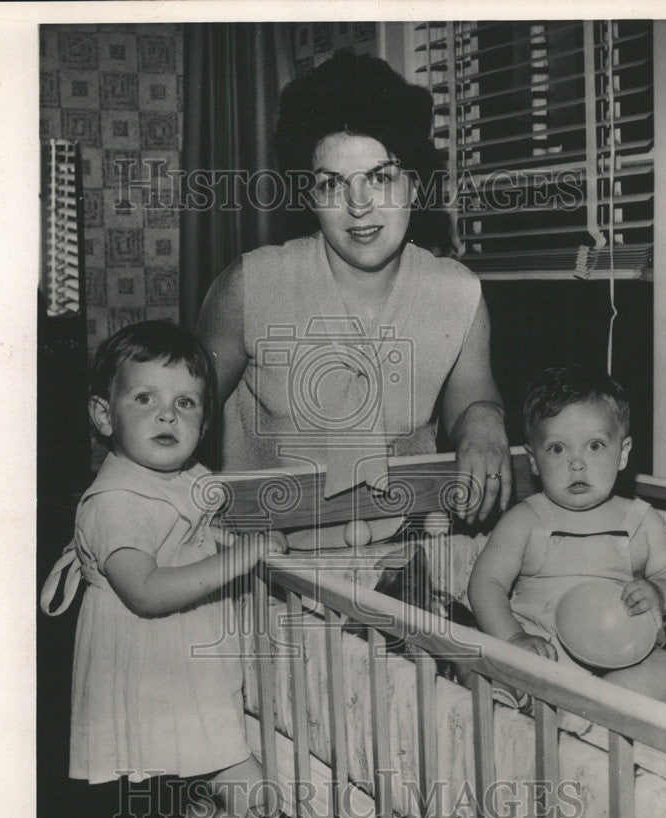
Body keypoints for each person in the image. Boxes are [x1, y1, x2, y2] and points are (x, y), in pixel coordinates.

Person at [195, 50, 510, 538]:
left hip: (402, 561)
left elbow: (473, 404)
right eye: (332, 184)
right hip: (264, 571)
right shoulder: (248, 286)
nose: (359, 206)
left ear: (415, 183)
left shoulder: (458, 294)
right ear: (308, 196)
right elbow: (174, 416)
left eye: (380, 178)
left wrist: (486, 419)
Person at [40, 321, 285, 818]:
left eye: (187, 403)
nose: (168, 414)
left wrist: (230, 540)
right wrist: (243, 556)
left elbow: (188, 535)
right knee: (250, 794)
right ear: (104, 416)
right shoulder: (117, 500)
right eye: (145, 397)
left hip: (180, 666)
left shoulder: (180, 477)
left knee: (202, 792)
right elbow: (145, 591)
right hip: (153, 670)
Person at [468, 366, 666, 704]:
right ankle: (551, 702)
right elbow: (486, 583)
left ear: (623, 452)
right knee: (487, 666)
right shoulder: (526, 520)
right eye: (558, 449)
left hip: (622, 655)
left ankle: (593, 709)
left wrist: (659, 593)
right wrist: (513, 639)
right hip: (544, 656)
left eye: (595, 446)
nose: (577, 463)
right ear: (533, 460)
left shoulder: (641, 519)